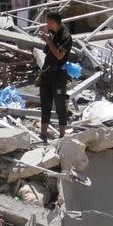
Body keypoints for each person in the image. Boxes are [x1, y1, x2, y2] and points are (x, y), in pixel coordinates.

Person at [38, 11, 72, 141]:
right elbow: (48, 55)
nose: (46, 24)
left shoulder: (66, 37)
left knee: (60, 106)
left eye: (47, 21)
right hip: (47, 73)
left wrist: (48, 40)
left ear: (53, 22)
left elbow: (59, 55)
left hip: (58, 75)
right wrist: (40, 74)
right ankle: (43, 134)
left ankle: (62, 136)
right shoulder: (53, 34)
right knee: (45, 105)